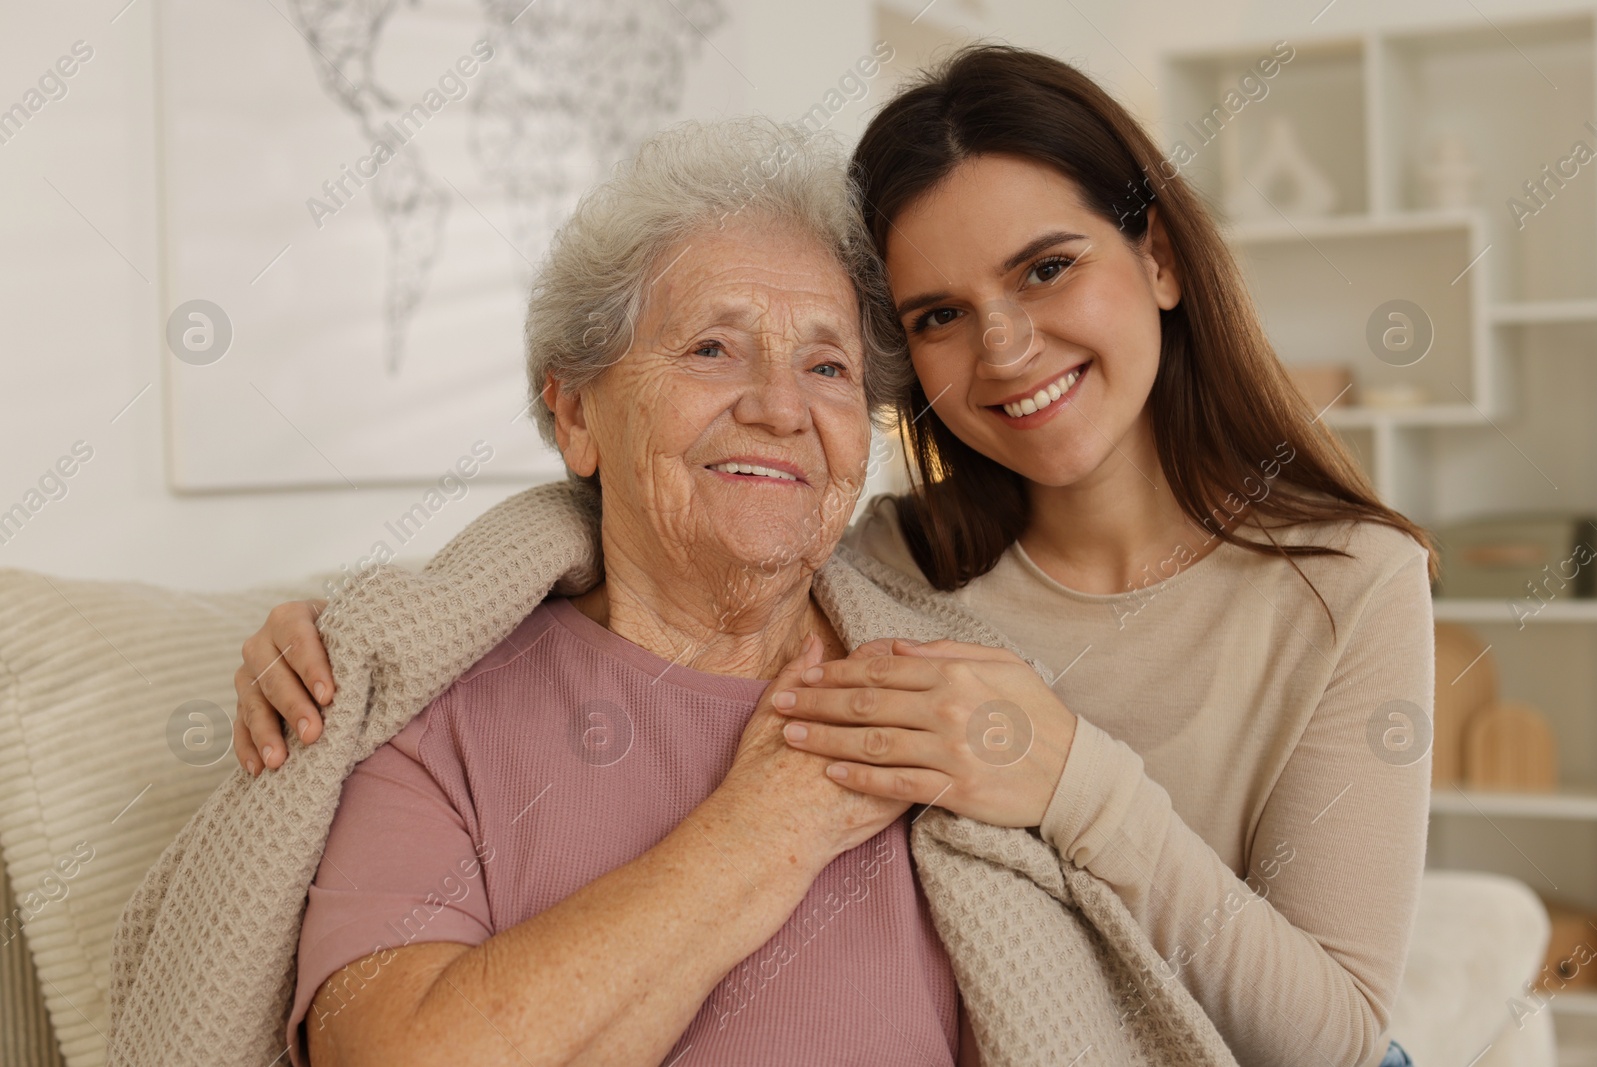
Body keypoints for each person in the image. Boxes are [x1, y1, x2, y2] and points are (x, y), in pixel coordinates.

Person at [235, 47, 1433, 1067]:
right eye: (935, 317)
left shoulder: (1346, 582)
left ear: (1160, 260)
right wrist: (363, 624)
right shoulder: (890, 572)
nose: (1008, 346)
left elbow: (1340, 1036)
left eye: (1048, 266)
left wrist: (1071, 774)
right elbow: (663, 532)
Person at [281, 117, 969, 1066]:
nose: (780, 406)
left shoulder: (943, 702)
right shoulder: (430, 712)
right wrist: (763, 831)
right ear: (574, 412)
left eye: (827, 367)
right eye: (712, 350)